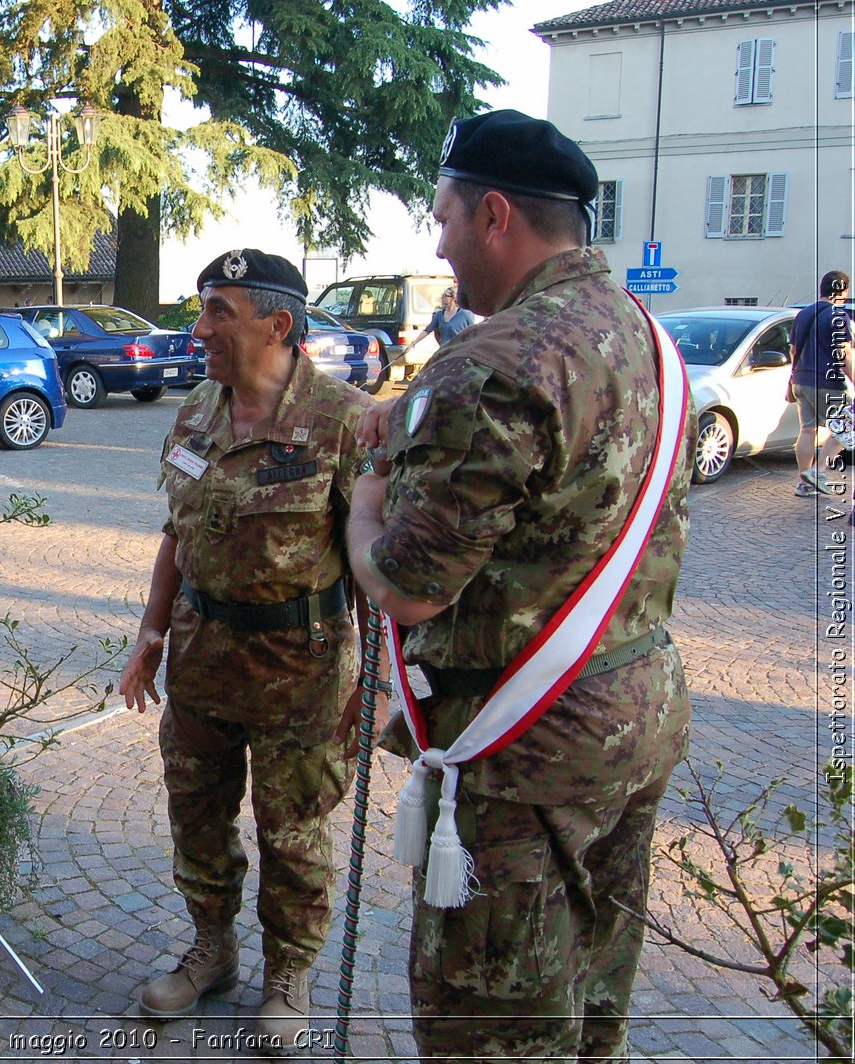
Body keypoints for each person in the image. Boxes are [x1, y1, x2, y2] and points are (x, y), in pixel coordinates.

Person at [345, 110, 695, 1061]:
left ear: (494, 214)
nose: (439, 240)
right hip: (631, 712)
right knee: (589, 991)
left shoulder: (492, 365)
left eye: (444, 216)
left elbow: (408, 588)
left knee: (491, 1027)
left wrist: (364, 502)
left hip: (523, 748)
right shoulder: (646, 339)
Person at [118, 248, 371, 1052]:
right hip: (201, 660)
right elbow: (176, 535)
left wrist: (385, 683)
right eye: (202, 311)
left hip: (304, 673)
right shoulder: (197, 410)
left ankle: (288, 973)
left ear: (278, 324)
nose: (199, 330)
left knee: (292, 831)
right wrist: (148, 638)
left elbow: (377, 563)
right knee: (197, 814)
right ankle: (212, 950)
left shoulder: (344, 421)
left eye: (217, 312)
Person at [788, 270, 851, 497]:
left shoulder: (803, 314)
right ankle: (818, 472)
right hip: (827, 382)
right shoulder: (837, 315)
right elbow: (843, 354)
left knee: (808, 429)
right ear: (843, 290)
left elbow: (793, 350)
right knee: (847, 427)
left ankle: (804, 483)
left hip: (801, 380)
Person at [407, 286, 476, 353]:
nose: (442, 297)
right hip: (444, 351)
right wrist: (413, 343)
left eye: (445, 295)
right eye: (443, 295)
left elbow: (474, 332)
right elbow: (427, 330)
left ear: (453, 298)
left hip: (458, 351)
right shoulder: (439, 315)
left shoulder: (464, 314)